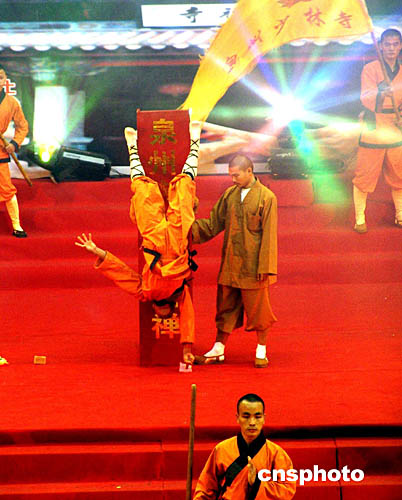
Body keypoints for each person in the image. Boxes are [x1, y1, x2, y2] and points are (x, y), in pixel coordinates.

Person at [76, 121, 201, 364]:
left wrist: (97, 251)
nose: (160, 314)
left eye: (158, 314)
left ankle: (132, 147)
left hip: (152, 237)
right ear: (169, 309)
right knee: (185, 187)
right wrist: (187, 347)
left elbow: (120, 273)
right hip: (177, 241)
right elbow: (188, 316)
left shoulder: (145, 292)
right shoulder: (179, 293)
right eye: (164, 315)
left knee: (142, 191)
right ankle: (195, 142)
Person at [192, 155, 277, 368]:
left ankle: (261, 350)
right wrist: (187, 228)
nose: (233, 179)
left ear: (249, 171)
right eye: (231, 175)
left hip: (253, 265)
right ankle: (218, 348)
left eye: (236, 175)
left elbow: (269, 235)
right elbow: (213, 224)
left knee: (259, 309)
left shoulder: (266, 197)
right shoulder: (230, 195)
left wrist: (266, 267)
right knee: (225, 305)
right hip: (230, 262)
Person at [193, 393, 296, 499]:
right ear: (238, 418)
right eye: (246, 417)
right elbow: (206, 488)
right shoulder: (222, 449)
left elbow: (287, 490)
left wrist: (257, 482)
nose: (252, 422)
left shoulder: (276, 454)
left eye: (257, 417)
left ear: (264, 418)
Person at [352, 28, 402, 233]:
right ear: (380, 46)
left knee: (399, 174)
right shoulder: (370, 69)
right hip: (374, 126)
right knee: (364, 175)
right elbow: (366, 97)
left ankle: (400, 214)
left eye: (395, 44)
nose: (391, 48)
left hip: (396, 127)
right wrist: (381, 93)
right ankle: (360, 218)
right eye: (387, 44)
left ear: (400, 46)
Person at [0, 64, 29, 237]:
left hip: (1, 151)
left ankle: (17, 225)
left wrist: (14, 144)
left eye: (0, 77)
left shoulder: (11, 102)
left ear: (5, 80)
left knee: (6, 188)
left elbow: (22, 126)